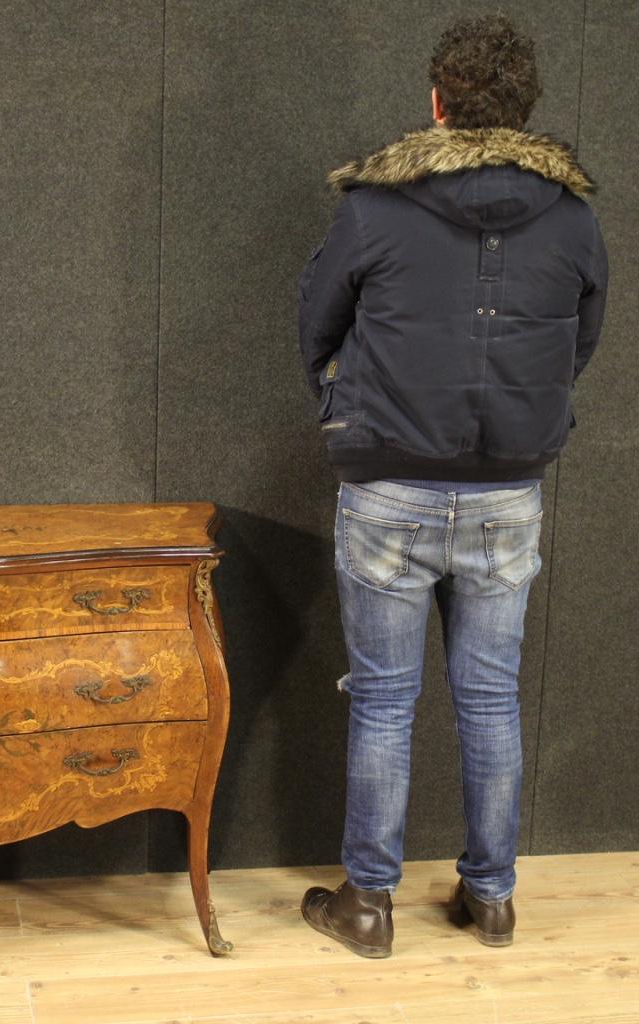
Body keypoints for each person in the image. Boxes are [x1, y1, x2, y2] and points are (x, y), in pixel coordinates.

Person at [296, 14, 607, 958]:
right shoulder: (574, 218)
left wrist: (344, 401)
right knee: (490, 695)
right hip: (510, 489)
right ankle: (493, 898)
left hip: (388, 482)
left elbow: (316, 323)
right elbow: (578, 346)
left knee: (386, 698)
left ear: (437, 104)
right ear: (524, 112)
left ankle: (369, 907)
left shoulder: (373, 208)